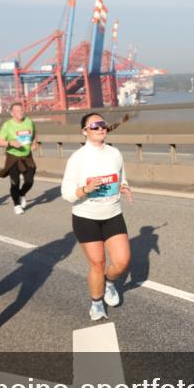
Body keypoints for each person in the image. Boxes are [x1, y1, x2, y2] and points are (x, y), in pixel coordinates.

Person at [60, 112, 132, 321]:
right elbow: (66, 193)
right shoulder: (77, 158)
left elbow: (121, 178)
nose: (100, 128)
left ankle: (109, 282)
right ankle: (97, 303)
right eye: (95, 126)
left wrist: (124, 187)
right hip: (86, 217)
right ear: (85, 131)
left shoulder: (115, 153)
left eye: (103, 124)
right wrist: (86, 189)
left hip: (113, 214)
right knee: (98, 264)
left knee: (122, 262)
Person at [0, 102, 38, 214]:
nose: (20, 112)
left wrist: (34, 143)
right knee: (15, 183)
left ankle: (21, 194)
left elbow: (35, 133)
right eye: (17, 111)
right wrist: (11, 143)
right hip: (13, 157)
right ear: (12, 113)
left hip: (27, 156)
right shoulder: (7, 125)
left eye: (21, 110)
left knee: (29, 181)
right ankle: (17, 205)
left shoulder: (29, 122)